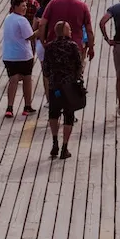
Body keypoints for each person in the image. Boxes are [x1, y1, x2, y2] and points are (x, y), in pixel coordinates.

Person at [41, 21, 83, 159]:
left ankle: (54, 142)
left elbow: (45, 69)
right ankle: (65, 147)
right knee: (68, 116)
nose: (71, 31)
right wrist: (77, 79)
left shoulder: (49, 47)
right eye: (69, 29)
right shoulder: (72, 46)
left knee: (53, 114)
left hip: (54, 87)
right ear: (65, 31)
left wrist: (51, 77)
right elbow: (79, 65)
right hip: (69, 87)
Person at [38, 0, 95, 64]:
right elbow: (89, 30)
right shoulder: (82, 6)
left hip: (54, 45)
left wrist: (43, 41)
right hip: (75, 48)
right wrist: (91, 47)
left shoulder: (53, 3)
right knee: (73, 74)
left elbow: (42, 24)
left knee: (54, 74)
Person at [2, 0, 37, 117]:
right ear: (15, 7)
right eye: (23, 6)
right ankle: (27, 106)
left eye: (25, 6)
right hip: (23, 55)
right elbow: (30, 36)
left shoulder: (8, 18)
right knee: (27, 80)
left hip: (9, 56)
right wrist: (40, 30)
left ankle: (10, 107)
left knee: (13, 80)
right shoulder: (22, 20)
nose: (25, 8)